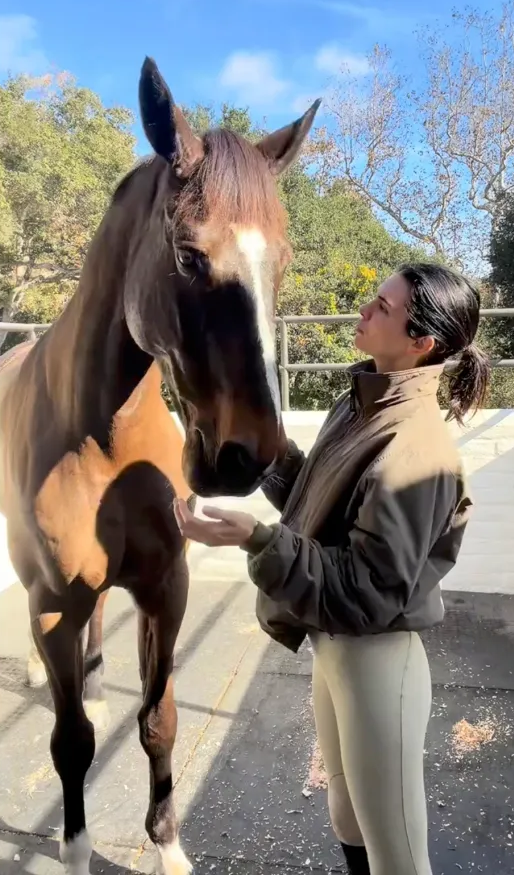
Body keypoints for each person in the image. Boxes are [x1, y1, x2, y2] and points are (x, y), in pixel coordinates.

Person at [174, 262, 490, 875]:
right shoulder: (360, 404)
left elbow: (367, 590)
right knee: (347, 818)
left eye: (383, 308)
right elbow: (324, 503)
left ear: (422, 342)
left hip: (378, 661)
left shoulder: (415, 449)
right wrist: (267, 451)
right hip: (334, 649)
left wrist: (257, 539)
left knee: (398, 857)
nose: (363, 311)